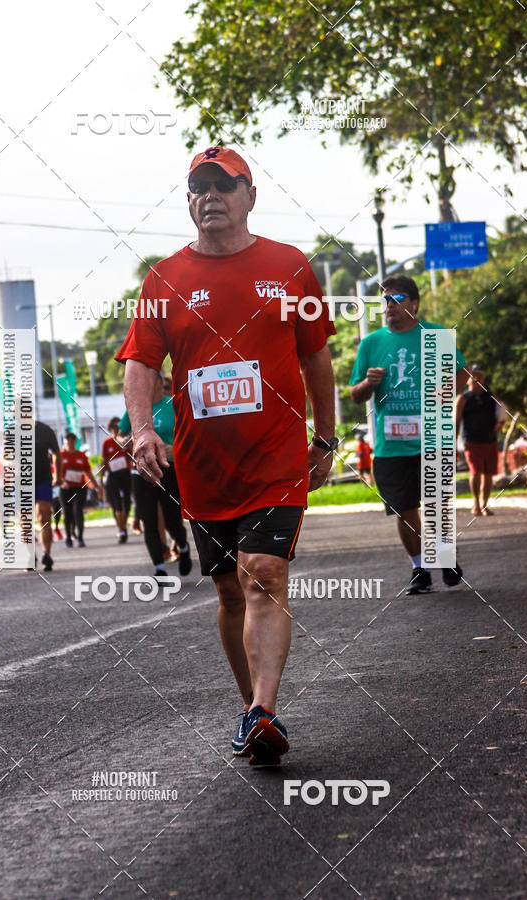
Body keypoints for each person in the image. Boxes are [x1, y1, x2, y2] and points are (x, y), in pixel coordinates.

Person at [116, 146, 336, 765]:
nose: (208, 195)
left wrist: (325, 435)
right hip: (204, 464)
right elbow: (140, 364)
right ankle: (250, 710)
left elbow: (316, 355)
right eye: (197, 187)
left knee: (262, 571)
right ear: (188, 201)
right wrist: (142, 430)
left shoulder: (291, 267)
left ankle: (266, 709)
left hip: (276, 454)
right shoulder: (163, 279)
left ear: (250, 195)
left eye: (222, 184)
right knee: (228, 589)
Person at [349, 273, 467, 596]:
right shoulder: (372, 344)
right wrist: (368, 384)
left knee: (437, 502)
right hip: (391, 445)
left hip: (433, 438)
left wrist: (445, 389)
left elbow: (461, 375)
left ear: (414, 303)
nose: (389, 305)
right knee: (404, 508)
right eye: (384, 300)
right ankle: (419, 568)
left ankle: (444, 554)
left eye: (397, 299)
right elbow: (355, 395)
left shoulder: (438, 335)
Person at [118, 372, 192, 577]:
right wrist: (122, 441)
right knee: (148, 521)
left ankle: (183, 546)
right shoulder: (136, 409)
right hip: (141, 470)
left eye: (152, 380)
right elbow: (121, 434)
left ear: (160, 383)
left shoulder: (174, 405)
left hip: (168, 469)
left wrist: (174, 447)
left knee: (172, 520)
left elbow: (188, 435)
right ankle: (159, 568)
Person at [456, 364, 502, 516]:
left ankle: (484, 504)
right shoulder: (462, 399)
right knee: (475, 472)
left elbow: (502, 414)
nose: (476, 379)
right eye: (473, 375)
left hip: (490, 440)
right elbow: (455, 423)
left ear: (483, 378)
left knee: (489, 475)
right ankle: (475, 503)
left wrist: (500, 424)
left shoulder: (492, 396)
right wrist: (453, 445)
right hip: (471, 442)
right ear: (468, 379)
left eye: (479, 376)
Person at [60, 432, 101, 548]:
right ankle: (68, 537)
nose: (70, 445)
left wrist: (96, 485)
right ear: (65, 443)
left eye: (72, 443)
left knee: (78, 511)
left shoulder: (81, 456)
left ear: (75, 443)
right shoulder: (60, 455)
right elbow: (55, 473)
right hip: (65, 488)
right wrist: (62, 482)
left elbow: (88, 472)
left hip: (79, 488)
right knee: (67, 513)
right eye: (67, 443)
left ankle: (80, 538)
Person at [34, 419, 62, 571]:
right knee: (25, 520)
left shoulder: (45, 430)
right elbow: (6, 456)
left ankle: (46, 554)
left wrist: (57, 475)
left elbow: (56, 453)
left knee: (43, 515)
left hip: (43, 479)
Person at [101, 416, 134, 544]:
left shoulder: (126, 442)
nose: (117, 430)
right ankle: (122, 530)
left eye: (119, 427)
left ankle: (123, 526)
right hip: (113, 476)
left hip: (125, 474)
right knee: (117, 504)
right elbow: (104, 461)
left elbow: (132, 456)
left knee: (127, 503)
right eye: (114, 428)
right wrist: (101, 480)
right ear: (110, 429)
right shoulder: (107, 443)